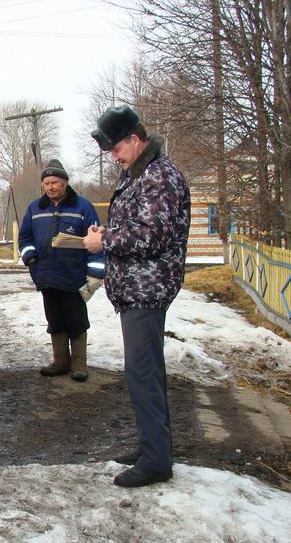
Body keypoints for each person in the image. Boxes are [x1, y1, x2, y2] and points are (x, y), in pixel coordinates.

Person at [83, 105, 191, 488]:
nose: (114, 156)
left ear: (135, 138)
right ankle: (153, 448)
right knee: (148, 373)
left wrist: (103, 240)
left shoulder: (158, 176)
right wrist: (108, 231)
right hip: (137, 286)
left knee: (142, 373)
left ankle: (157, 461)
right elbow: (138, 225)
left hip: (147, 287)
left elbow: (152, 235)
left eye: (117, 148)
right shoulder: (140, 174)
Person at [18, 159, 105, 382]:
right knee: (55, 320)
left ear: (65, 182)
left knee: (76, 320)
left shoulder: (83, 207)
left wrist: (95, 274)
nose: (50, 187)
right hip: (45, 275)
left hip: (73, 276)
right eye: (46, 184)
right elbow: (25, 238)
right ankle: (60, 362)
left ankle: (79, 364)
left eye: (54, 182)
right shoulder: (35, 209)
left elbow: (96, 241)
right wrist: (31, 260)